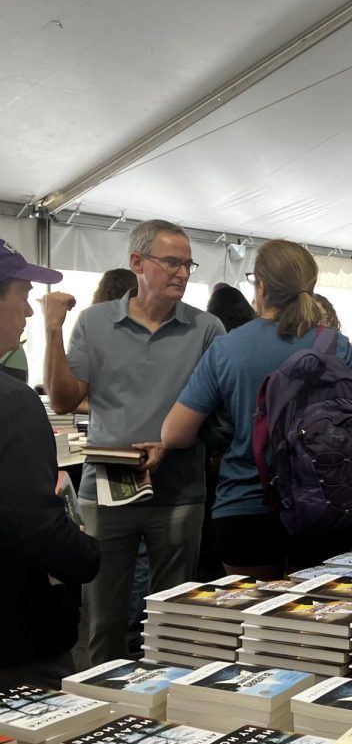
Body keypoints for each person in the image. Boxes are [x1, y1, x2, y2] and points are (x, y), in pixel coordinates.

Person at [41, 219, 225, 665]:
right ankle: (101, 710)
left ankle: (163, 707)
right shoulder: (95, 322)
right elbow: (65, 400)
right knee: (103, 618)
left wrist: (172, 443)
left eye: (187, 264)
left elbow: (221, 414)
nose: (181, 273)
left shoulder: (206, 329)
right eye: (171, 263)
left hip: (179, 492)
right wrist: (51, 330)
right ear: (137, 263)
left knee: (172, 620)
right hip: (106, 491)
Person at [160, 239, 352, 578]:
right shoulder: (336, 345)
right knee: (316, 623)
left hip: (246, 505)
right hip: (326, 502)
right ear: (310, 287)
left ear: (262, 285)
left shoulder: (227, 348)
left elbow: (174, 433)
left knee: (253, 622)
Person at [0, 240, 101, 687]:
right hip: (15, 641)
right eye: (22, 296)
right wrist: (86, 555)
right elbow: (32, 523)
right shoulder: (11, 402)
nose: (26, 312)